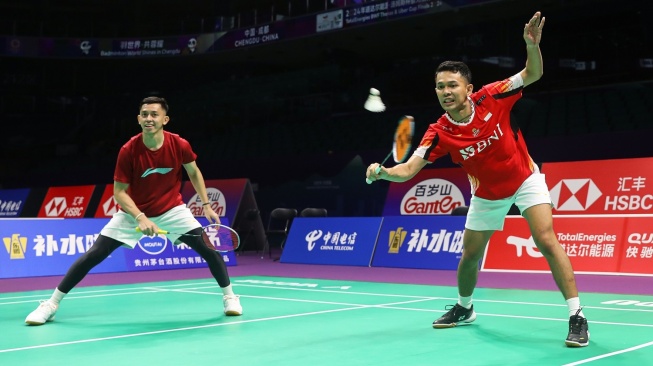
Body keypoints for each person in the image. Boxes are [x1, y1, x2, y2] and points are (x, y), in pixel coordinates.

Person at [366, 12, 589, 347]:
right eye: (440, 86)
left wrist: (531, 46)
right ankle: (464, 307)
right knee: (470, 255)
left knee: (545, 238)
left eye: (452, 84)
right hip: (487, 194)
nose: (445, 91)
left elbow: (534, 73)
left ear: (468, 88)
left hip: (525, 177)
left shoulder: (493, 95)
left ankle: (577, 316)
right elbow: (409, 169)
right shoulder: (438, 132)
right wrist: (383, 172)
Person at [25, 96, 243, 325]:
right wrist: (140, 217)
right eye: (145, 114)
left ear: (165, 119)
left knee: (209, 249)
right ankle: (51, 304)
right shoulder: (128, 150)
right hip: (133, 212)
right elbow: (119, 192)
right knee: (94, 254)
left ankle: (230, 297)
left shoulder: (179, 144)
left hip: (172, 209)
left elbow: (194, 171)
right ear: (139, 119)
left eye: (154, 114)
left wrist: (206, 204)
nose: (149, 118)